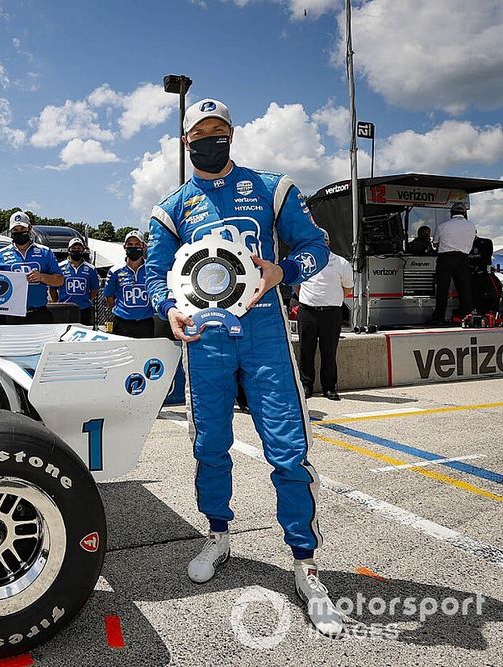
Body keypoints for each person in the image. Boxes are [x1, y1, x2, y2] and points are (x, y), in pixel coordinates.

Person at [145, 98, 341, 636]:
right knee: (209, 446)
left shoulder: (272, 187)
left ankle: (306, 563)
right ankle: (218, 534)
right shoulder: (172, 208)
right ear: (187, 143)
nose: (211, 139)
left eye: (219, 131)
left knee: (288, 451)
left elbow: (315, 247)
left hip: (265, 337)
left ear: (231, 134)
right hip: (205, 340)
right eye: (200, 134)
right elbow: (154, 274)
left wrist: (282, 271)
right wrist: (169, 310)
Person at [296, 229, 352, 400]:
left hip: (331, 313)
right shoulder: (303, 261)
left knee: (329, 351)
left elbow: (348, 289)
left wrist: (330, 298)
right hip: (308, 311)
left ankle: (329, 387)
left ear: (327, 242)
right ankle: (306, 386)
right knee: (306, 350)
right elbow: (297, 285)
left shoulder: (341, 263)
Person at [0, 211, 63, 325]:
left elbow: (59, 280)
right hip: (10, 314)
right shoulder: (0, 255)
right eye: (15, 230)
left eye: (22, 228)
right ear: (11, 231)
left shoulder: (45, 252)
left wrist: (42, 277)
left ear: (29, 228)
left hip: (38, 313)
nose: (19, 232)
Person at [430, 203, 476, 324]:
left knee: (442, 289)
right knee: (464, 289)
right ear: (464, 213)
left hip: (445, 258)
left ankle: (439, 318)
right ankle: (466, 316)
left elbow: (435, 243)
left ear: (451, 213)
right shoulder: (471, 226)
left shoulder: (443, 225)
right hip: (463, 258)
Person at [103, 231, 154, 337]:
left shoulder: (151, 270)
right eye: (130, 245)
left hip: (145, 323)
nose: (133, 247)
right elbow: (109, 297)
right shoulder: (115, 271)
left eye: (137, 244)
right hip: (122, 323)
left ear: (143, 246)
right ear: (124, 247)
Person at [52, 237, 99, 325]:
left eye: (79, 248)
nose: (76, 250)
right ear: (69, 250)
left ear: (83, 250)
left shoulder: (91, 269)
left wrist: (86, 300)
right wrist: (58, 303)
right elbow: (53, 289)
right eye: (74, 248)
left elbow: (94, 289)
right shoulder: (59, 267)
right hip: (64, 309)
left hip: (84, 309)